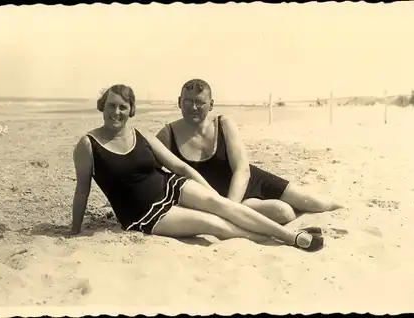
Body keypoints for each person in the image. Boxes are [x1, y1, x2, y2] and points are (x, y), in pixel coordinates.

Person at [70, 84, 325, 252]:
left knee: (224, 206)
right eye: (111, 106)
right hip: (144, 213)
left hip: (171, 185)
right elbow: (82, 191)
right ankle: (287, 239)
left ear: (131, 110)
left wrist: (212, 195)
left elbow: (178, 166)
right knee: (213, 224)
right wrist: (75, 230)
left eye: (122, 107)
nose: (116, 112)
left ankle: (290, 235)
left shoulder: (142, 134)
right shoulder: (88, 145)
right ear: (102, 107)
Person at [156, 79, 343, 225]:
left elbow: (242, 170)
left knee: (315, 203)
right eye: (187, 101)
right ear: (179, 102)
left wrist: (230, 209)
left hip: (248, 182)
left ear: (211, 104)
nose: (193, 107)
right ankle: (247, 208)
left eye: (199, 102)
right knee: (284, 213)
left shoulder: (223, 124)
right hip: (215, 197)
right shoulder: (167, 135)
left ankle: (344, 208)